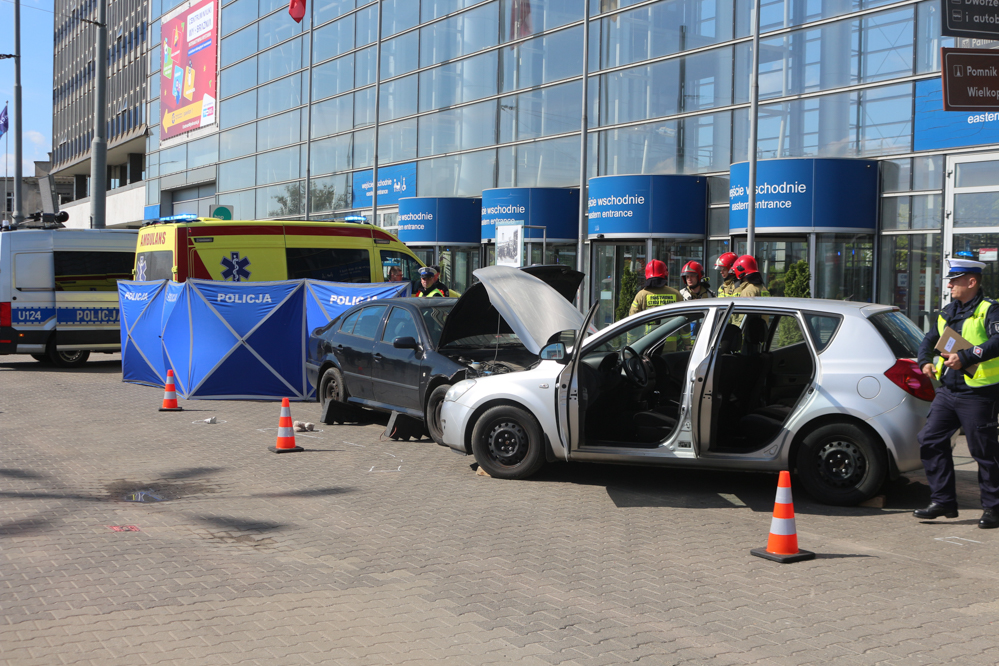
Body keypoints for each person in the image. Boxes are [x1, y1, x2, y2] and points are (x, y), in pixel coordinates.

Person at [914, 258, 999, 529]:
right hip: (948, 391)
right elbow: (929, 340)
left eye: (955, 280)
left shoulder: (990, 310)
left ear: (971, 282)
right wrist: (924, 361)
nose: (949, 284)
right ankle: (943, 502)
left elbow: (997, 341)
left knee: (983, 452)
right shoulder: (948, 311)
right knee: (930, 441)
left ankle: (994, 509)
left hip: (979, 394)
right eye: (950, 280)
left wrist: (965, 356)